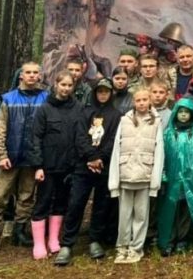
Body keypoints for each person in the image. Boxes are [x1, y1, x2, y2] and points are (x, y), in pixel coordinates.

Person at [0, 61, 48, 256]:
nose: (32, 76)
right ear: (21, 76)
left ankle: (20, 232)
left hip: (32, 158)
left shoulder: (46, 98)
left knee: (26, 197)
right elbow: (0, 130)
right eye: (28, 72)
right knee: (0, 196)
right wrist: (1, 155)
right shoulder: (8, 99)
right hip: (10, 157)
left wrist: (40, 159)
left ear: (40, 76)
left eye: (36, 72)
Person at [55, 78, 120, 265]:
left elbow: (113, 139)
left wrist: (100, 159)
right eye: (99, 91)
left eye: (106, 92)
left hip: (104, 167)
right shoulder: (85, 112)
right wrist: (91, 157)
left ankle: (94, 240)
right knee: (76, 203)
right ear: (95, 93)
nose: (103, 94)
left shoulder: (116, 115)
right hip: (83, 166)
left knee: (101, 205)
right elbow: (80, 137)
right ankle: (67, 243)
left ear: (111, 93)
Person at [27, 70, 83, 259]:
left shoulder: (78, 108)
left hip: (68, 166)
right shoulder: (44, 108)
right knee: (43, 202)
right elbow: (36, 138)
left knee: (61, 202)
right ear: (56, 85)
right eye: (63, 85)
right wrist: (38, 166)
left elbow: (81, 136)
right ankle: (39, 243)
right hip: (48, 166)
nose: (66, 89)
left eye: (69, 85)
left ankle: (53, 239)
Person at [108, 88, 164, 264]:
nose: (141, 103)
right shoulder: (124, 120)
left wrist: (155, 181)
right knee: (124, 215)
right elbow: (117, 148)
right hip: (125, 175)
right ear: (134, 102)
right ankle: (122, 246)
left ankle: (136, 248)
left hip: (144, 176)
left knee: (141, 215)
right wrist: (114, 180)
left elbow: (159, 151)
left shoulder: (156, 122)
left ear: (150, 101)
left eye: (144, 100)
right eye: (138, 100)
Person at [157, 98, 193, 257]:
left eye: (187, 112)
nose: (183, 115)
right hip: (172, 179)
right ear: (175, 114)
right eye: (180, 112)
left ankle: (183, 239)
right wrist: (163, 175)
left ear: (192, 115)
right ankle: (169, 239)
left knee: (187, 208)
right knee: (170, 209)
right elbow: (162, 156)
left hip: (191, 179)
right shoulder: (168, 134)